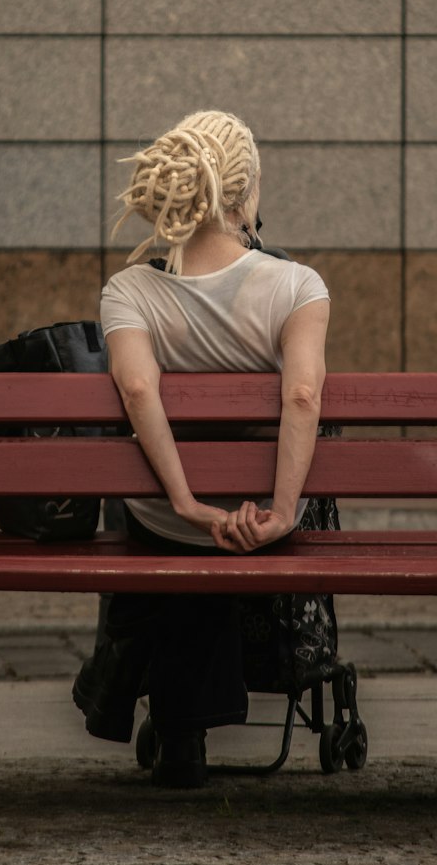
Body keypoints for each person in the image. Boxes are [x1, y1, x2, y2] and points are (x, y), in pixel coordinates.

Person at [72, 109, 330, 787]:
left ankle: (168, 716)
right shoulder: (298, 286)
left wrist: (186, 501)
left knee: (151, 523)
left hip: (166, 519)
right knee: (223, 533)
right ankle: (186, 718)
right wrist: (275, 512)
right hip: (264, 514)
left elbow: (135, 390)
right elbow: (303, 398)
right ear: (242, 197)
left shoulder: (128, 289)